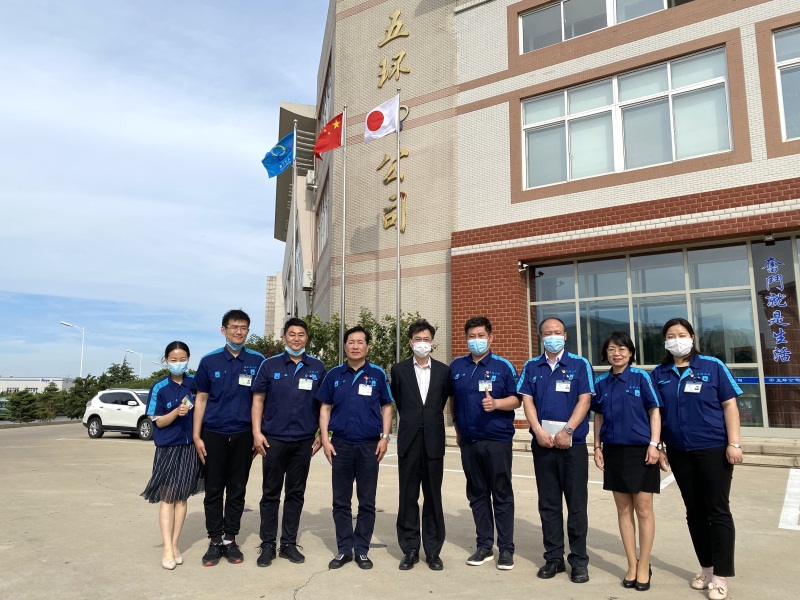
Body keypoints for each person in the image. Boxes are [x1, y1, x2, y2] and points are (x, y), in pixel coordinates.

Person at [651, 318, 743, 600]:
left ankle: (720, 576)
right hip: (679, 451)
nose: (677, 339)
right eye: (671, 335)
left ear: (692, 337)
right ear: (665, 341)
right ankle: (706, 568)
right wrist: (659, 446)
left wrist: (734, 443)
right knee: (694, 511)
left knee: (718, 509)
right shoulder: (659, 373)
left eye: (682, 334)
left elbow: (730, 405)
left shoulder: (712, 366)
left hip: (713, 448)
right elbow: (655, 413)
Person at [518, 317, 594, 583]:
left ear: (565, 336)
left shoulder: (580, 364)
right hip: (544, 446)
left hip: (573, 447)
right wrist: (538, 430)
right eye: (548, 333)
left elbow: (585, 400)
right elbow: (527, 400)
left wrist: (568, 430)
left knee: (576, 506)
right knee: (548, 505)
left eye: (557, 332)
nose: (553, 336)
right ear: (541, 337)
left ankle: (579, 561)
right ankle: (553, 558)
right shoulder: (531, 366)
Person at [317, 325, 393, 570]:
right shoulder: (334, 375)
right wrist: (325, 440)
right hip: (340, 445)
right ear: (345, 346)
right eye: (351, 342)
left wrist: (385, 437)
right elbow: (325, 408)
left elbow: (387, 407)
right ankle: (343, 549)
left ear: (367, 347)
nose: (355, 346)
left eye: (360, 342)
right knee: (341, 501)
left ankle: (361, 550)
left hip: (369, 446)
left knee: (366, 501)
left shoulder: (377, 374)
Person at [251, 317, 326, 567]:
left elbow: (324, 405)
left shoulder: (317, 367)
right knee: (270, 493)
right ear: (284, 336)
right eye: (292, 334)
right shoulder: (269, 365)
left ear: (306, 338)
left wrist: (322, 435)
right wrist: (257, 433)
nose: (296, 339)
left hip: (304, 441)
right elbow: (258, 400)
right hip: (273, 440)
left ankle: (288, 544)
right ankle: (267, 544)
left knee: (296, 493)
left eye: (301, 334)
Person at [192, 309, 265, 566]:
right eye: (234, 327)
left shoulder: (258, 361)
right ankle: (214, 541)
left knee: (237, 489)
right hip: (213, 434)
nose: (238, 332)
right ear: (223, 330)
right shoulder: (209, 361)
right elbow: (200, 400)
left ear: (248, 331)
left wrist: (257, 434)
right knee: (213, 490)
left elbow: (260, 401)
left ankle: (230, 539)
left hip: (244, 435)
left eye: (243, 328)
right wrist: (197, 436)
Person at [592, 332, 662, 591]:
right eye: (611, 349)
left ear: (630, 353)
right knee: (623, 510)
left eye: (622, 349)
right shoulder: (600, 382)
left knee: (643, 509)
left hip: (641, 452)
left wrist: (654, 444)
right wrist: (597, 447)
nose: (616, 353)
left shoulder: (641, 377)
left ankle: (644, 564)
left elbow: (654, 411)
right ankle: (632, 563)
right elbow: (598, 417)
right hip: (614, 451)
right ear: (606, 353)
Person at [449, 316, 520, 570]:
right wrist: (457, 428)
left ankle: (506, 549)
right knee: (477, 494)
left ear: (491, 338)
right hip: (469, 441)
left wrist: (497, 403)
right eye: (472, 336)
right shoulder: (457, 366)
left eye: (481, 336)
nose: (476, 340)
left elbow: (517, 399)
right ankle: (484, 545)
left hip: (497, 440)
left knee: (501, 493)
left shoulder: (503, 366)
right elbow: (453, 400)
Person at [390, 319, 451, 571]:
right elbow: (399, 401)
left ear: (432, 342)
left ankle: (433, 551)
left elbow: (442, 401)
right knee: (408, 496)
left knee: (433, 496)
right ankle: (410, 549)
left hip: (434, 441)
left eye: (426, 339)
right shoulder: (398, 370)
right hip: (409, 440)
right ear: (410, 342)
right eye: (418, 339)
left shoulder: (444, 371)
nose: (422, 343)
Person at [141, 341, 203, 570]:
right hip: (168, 447)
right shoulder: (159, 388)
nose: (179, 363)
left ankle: (175, 544)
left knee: (182, 498)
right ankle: (167, 547)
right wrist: (176, 412)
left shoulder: (195, 384)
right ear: (166, 361)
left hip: (189, 447)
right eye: (174, 360)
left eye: (183, 359)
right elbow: (158, 421)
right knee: (167, 497)